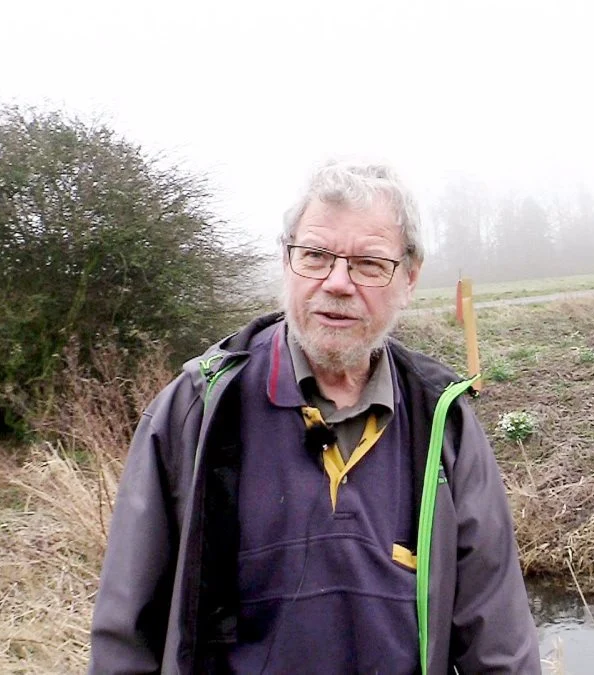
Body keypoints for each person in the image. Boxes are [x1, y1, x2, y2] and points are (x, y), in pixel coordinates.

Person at [89, 161, 541, 674]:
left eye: (369, 264)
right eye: (315, 256)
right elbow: (127, 637)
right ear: (287, 261)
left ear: (409, 278)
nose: (338, 283)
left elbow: (499, 641)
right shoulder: (196, 409)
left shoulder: (443, 421)